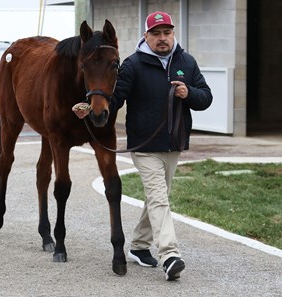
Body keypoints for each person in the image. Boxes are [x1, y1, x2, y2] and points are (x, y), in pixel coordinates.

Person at [73, 11, 212, 281]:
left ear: (173, 34)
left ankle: (138, 245)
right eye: (156, 33)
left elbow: (206, 97)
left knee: (157, 199)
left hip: (174, 143)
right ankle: (170, 255)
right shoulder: (133, 65)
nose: (162, 38)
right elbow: (116, 100)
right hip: (145, 146)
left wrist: (189, 93)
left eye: (166, 32)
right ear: (146, 36)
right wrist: (92, 109)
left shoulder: (186, 61)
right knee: (159, 199)